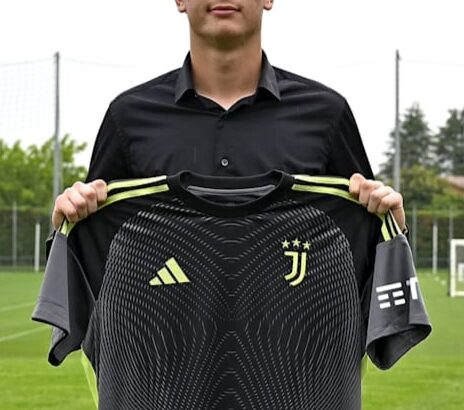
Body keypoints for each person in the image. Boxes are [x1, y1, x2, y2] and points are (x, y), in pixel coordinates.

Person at [51, 0, 406, 233]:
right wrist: (69, 222)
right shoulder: (128, 118)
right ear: (179, 1)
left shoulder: (327, 114)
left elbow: (366, 262)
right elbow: (96, 261)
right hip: (167, 333)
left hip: (291, 334)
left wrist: (393, 227)